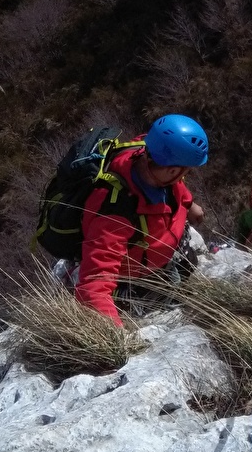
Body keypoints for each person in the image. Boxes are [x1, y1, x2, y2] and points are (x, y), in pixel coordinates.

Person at [74, 114, 208, 327]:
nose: (185, 176)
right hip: (135, 279)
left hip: (162, 256)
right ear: (173, 170)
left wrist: (189, 204)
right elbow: (94, 286)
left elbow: (176, 186)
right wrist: (115, 338)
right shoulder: (116, 211)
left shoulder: (151, 155)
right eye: (186, 171)